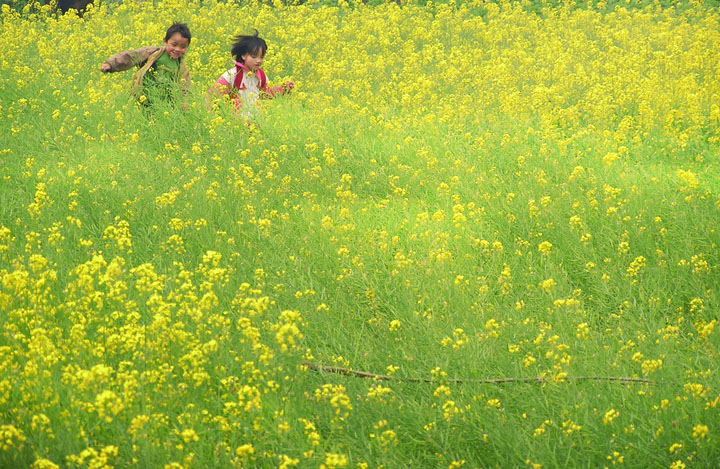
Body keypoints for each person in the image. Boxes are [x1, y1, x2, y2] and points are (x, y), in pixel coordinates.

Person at [101, 23, 192, 106]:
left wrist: (185, 102)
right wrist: (111, 64)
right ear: (165, 41)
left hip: (165, 105)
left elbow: (185, 87)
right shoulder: (154, 53)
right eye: (174, 44)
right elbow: (132, 56)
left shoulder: (181, 66)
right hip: (144, 98)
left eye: (183, 47)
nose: (178, 49)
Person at [209, 30, 293, 114]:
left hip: (255, 120)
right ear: (243, 55)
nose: (258, 61)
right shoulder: (232, 75)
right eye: (254, 57)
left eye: (261, 57)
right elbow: (214, 97)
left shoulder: (261, 76)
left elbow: (266, 93)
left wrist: (282, 89)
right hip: (236, 122)